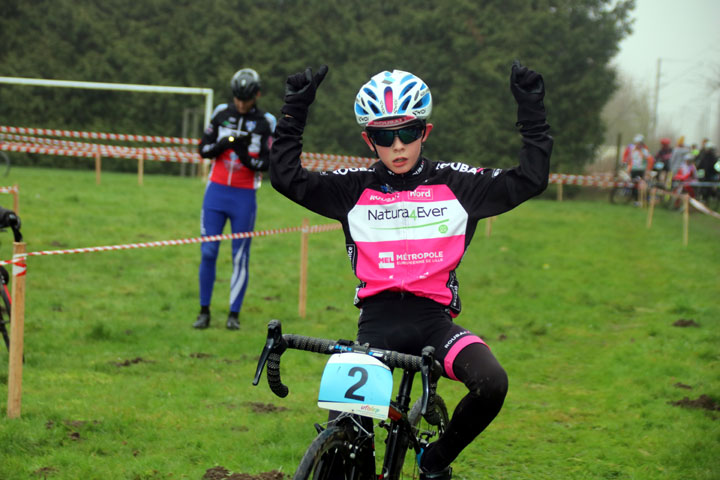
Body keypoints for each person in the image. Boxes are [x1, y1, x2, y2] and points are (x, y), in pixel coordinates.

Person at [270, 62, 551, 478]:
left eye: (408, 132)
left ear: (426, 132)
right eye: (385, 136)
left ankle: (434, 461)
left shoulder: (458, 184)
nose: (398, 145)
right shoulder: (353, 187)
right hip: (376, 325)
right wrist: (294, 110)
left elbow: (530, 178)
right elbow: (286, 177)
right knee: (347, 441)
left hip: (434, 325)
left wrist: (530, 109)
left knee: (492, 383)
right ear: (370, 140)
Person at [194, 68, 276, 330]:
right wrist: (222, 145)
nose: (241, 105)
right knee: (208, 252)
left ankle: (233, 314)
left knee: (240, 256)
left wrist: (244, 155)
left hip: (243, 195)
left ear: (257, 94)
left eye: (246, 99)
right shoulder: (220, 113)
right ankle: (204, 311)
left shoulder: (266, 121)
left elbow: (267, 162)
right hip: (216, 192)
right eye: (237, 99)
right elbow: (203, 149)